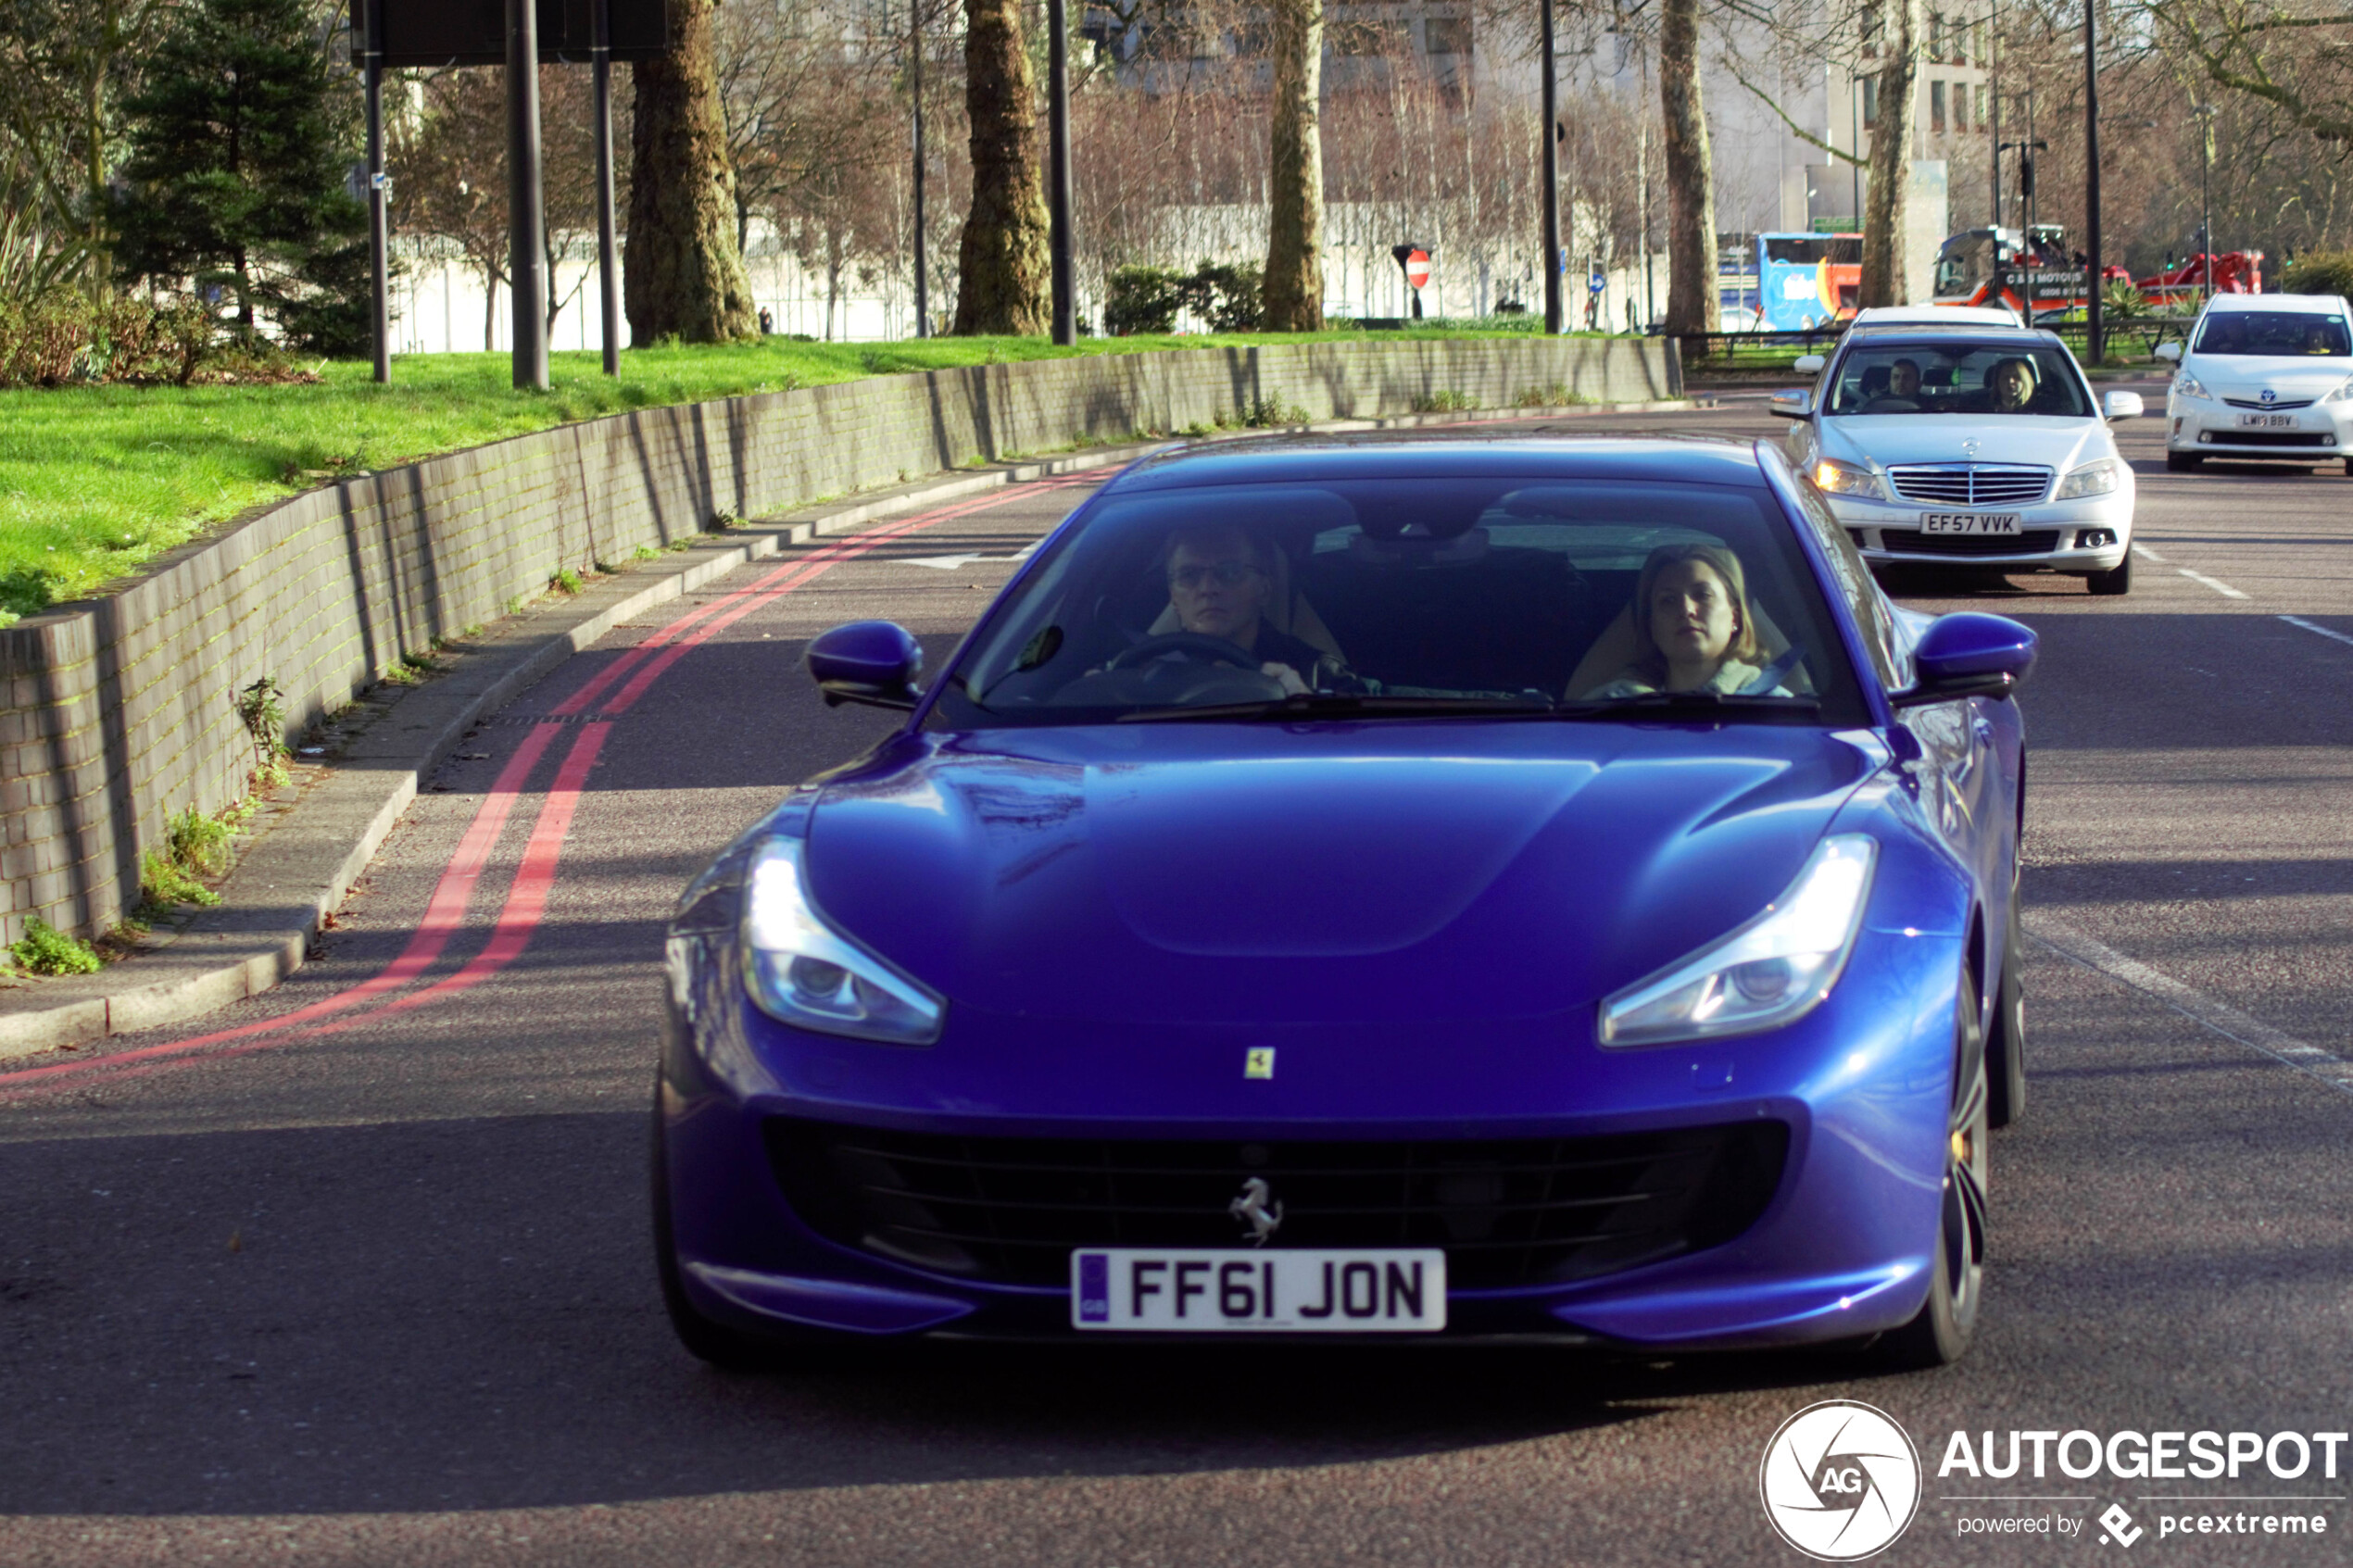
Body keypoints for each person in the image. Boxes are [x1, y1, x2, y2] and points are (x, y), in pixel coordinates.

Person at [1158, 525, 1342, 694]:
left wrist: (1308, 709)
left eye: (1230, 572)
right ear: (1173, 596)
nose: (1207, 588)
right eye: (1189, 575)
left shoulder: (1317, 674)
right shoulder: (1142, 672)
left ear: (1264, 589)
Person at [1583, 543, 1782, 697]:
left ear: (1735, 618)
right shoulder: (1608, 713)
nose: (1686, 610)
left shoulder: (1782, 713)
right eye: (1668, 600)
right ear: (1652, 627)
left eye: (1703, 595)